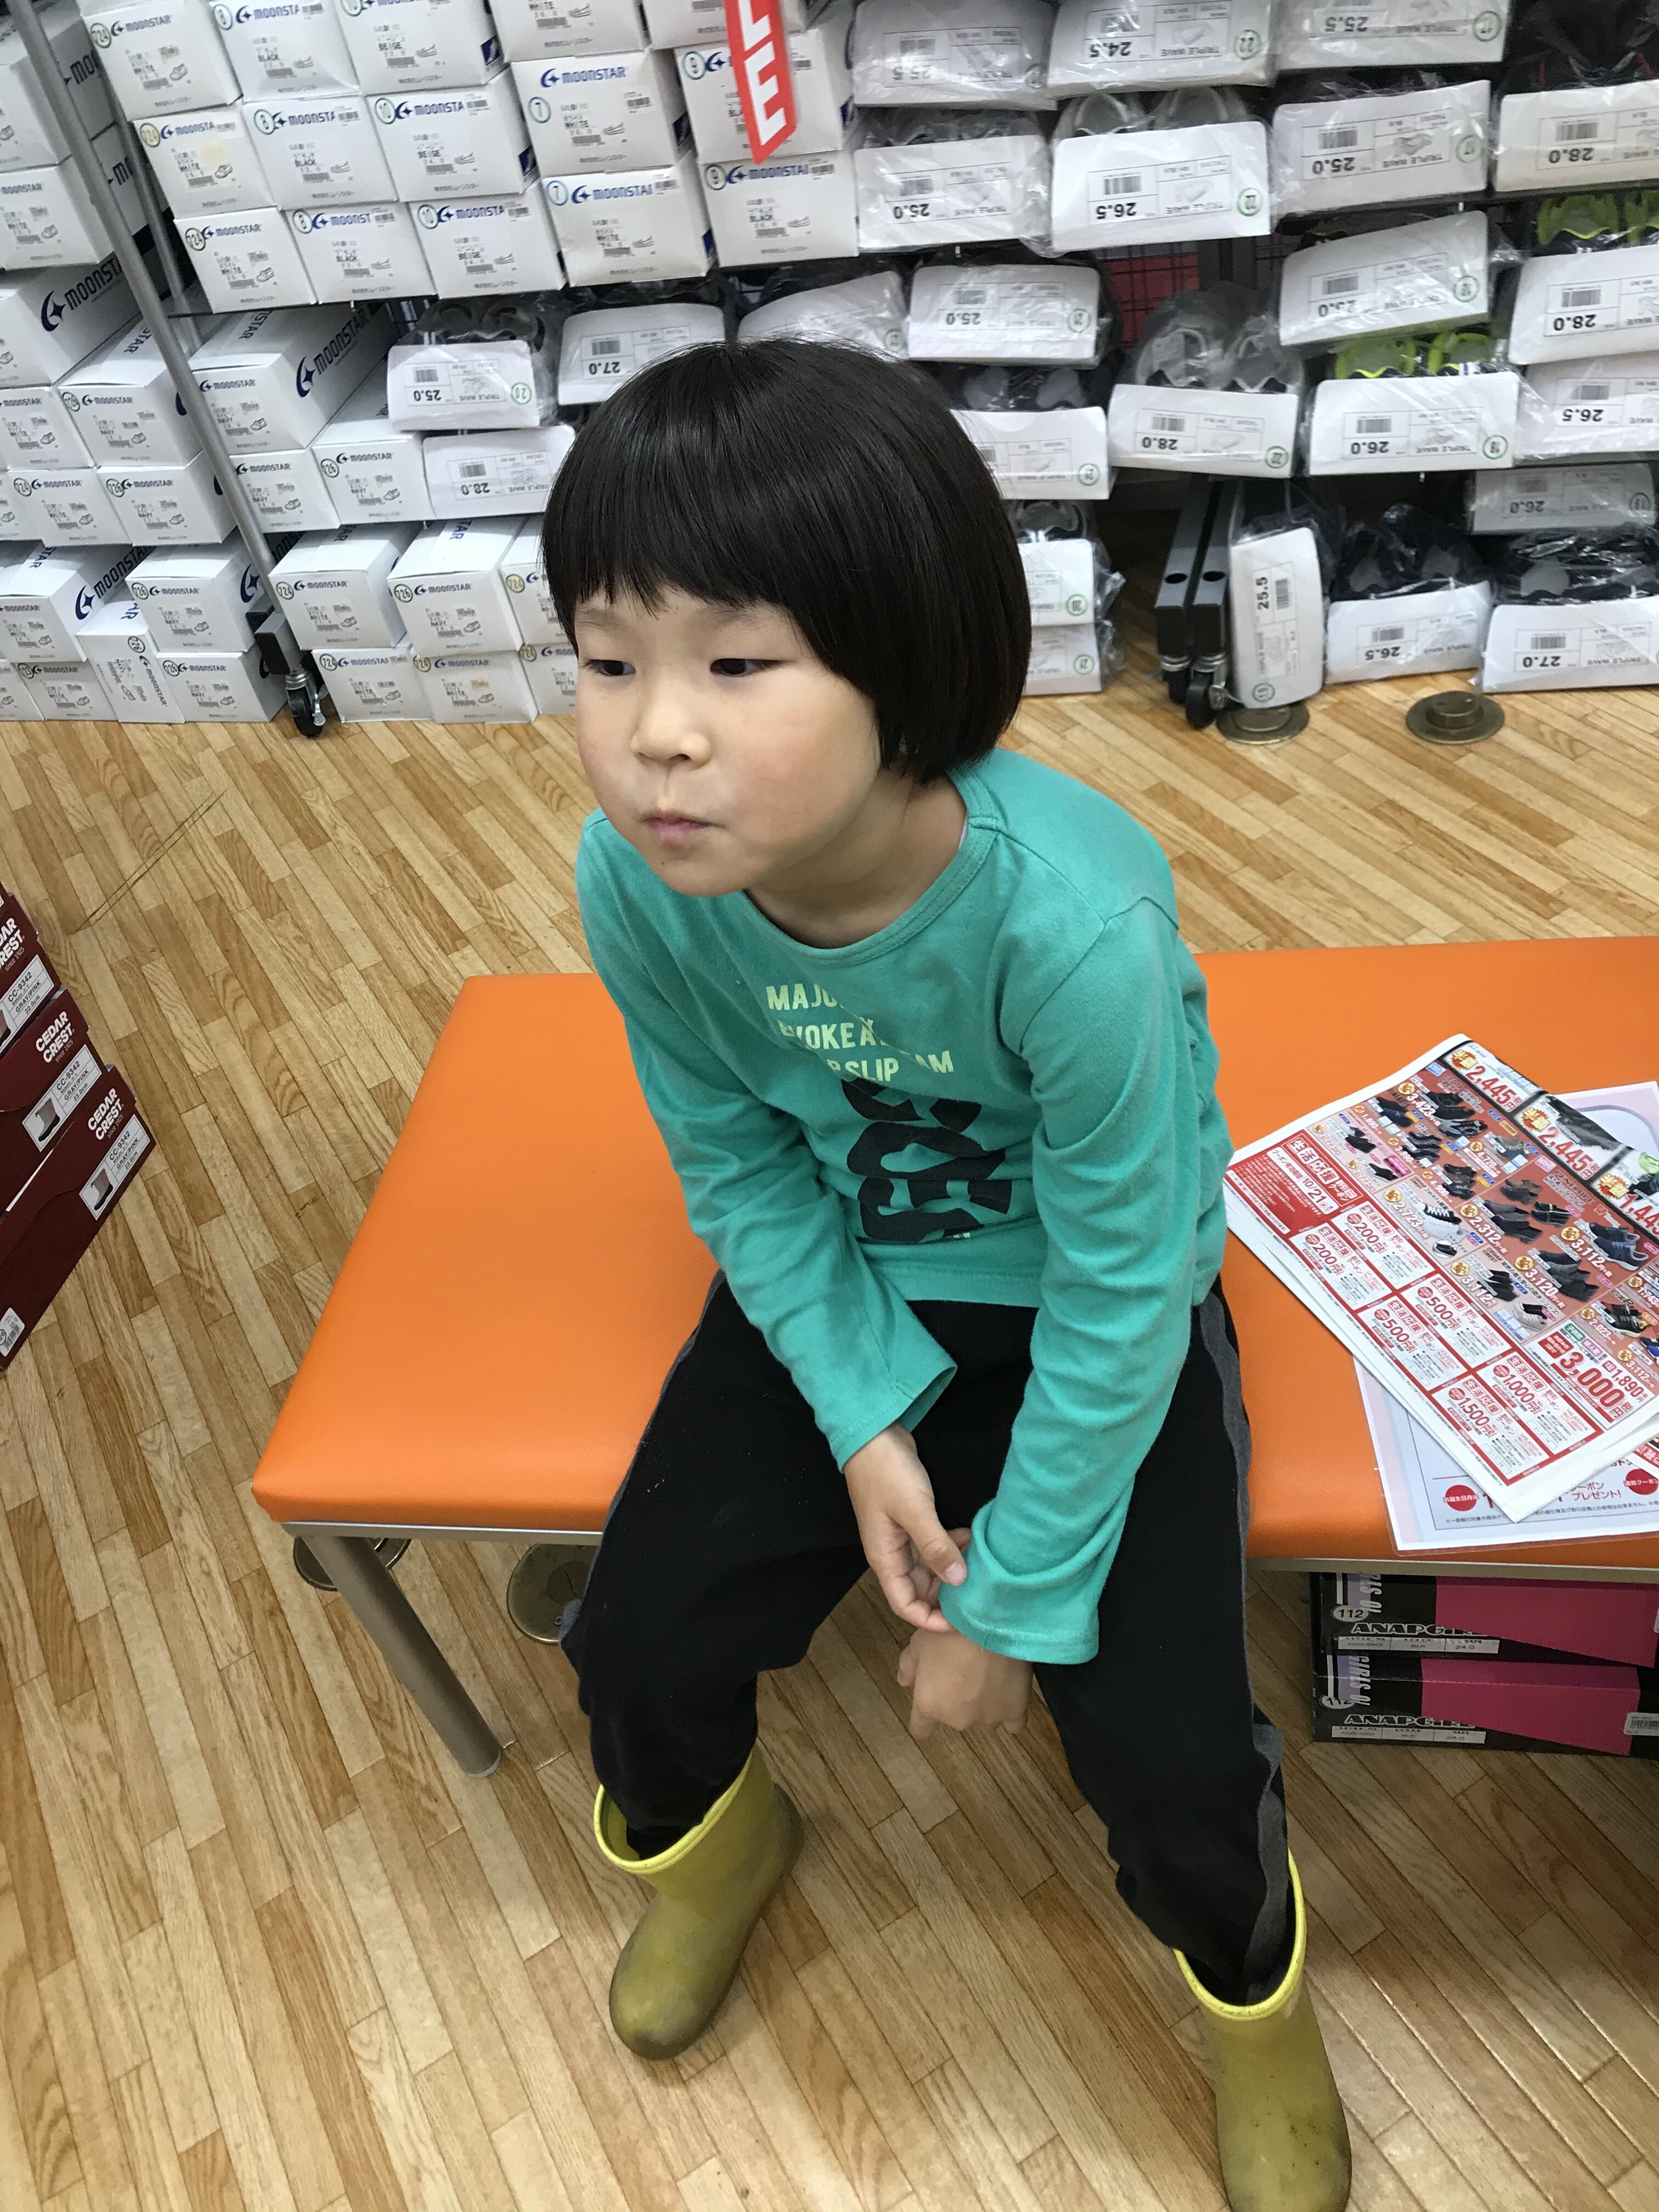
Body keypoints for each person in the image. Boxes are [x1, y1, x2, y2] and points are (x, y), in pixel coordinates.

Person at [543, 339, 1350, 2212]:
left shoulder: (1072, 916)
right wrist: (865, 1419)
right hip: (854, 1288)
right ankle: (717, 1849)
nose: (656, 734)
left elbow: (1134, 1279)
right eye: (608, 660)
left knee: (1164, 1753)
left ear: (902, 666)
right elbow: (741, 1163)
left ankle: (1253, 1998)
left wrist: (1016, 1605)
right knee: (636, 1644)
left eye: (737, 665)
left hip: (1088, 1315)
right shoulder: (636, 882)